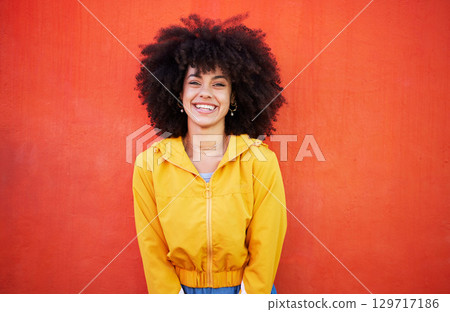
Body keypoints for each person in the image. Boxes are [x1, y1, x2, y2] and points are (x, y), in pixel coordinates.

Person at [132, 13, 287, 294]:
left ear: (233, 97)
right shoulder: (150, 165)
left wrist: (249, 297)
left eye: (218, 84)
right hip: (178, 293)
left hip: (245, 292)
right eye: (194, 82)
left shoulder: (260, 162)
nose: (205, 93)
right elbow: (150, 243)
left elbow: (268, 240)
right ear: (178, 94)